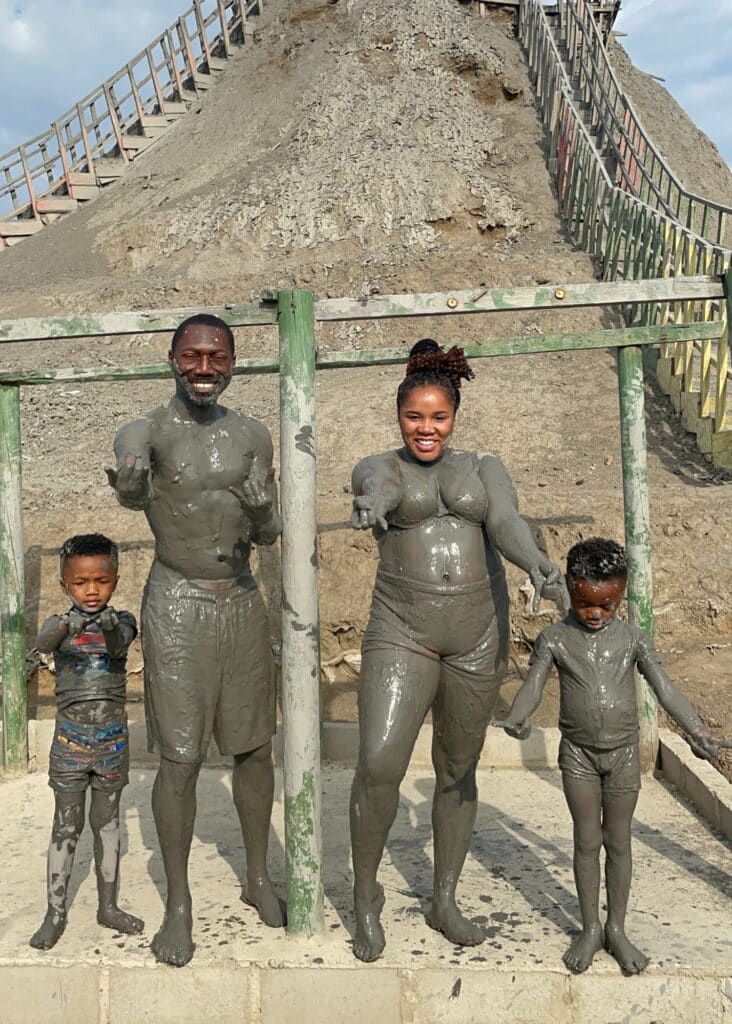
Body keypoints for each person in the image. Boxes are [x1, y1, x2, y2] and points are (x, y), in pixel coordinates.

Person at [349, 338, 566, 962]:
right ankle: (367, 897)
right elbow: (379, 490)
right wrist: (374, 507)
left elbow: (504, 524)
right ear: (399, 417)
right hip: (402, 630)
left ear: (454, 417)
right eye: (414, 416)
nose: (425, 428)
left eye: (437, 417)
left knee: (457, 769)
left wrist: (538, 565)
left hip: (477, 636)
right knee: (380, 762)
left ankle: (444, 897)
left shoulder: (483, 468)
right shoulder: (379, 466)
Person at [106, 313, 283, 967]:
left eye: (216, 356)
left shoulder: (253, 435)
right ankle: (179, 905)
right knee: (179, 758)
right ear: (171, 359)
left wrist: (264, 508)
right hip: (176, 601)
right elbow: (130, 481)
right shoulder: (149, 429)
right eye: (191, 355)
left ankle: (259, 876)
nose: (203, 367)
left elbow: (268, 536)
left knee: (255, 749)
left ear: (234, 362)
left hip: (239, 599)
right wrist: (130, 478)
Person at [496, 537, 723, 975]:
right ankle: (588, 928)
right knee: (587, 840)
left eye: (608, 605)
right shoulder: (555, 639)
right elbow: (533, 685)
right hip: (578, 755)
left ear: (621, 596)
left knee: (618, 840)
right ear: (570, 587)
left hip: (622, 755)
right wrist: (517, 716)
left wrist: (695, 730)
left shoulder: (634, 639)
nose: (596, 614)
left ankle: (616, 929)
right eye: (585, 604)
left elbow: (665, 687)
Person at [30, 533, 143, 950]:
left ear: (115, 579)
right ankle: (55, 913)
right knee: (66, 824)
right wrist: (67, 624)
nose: (92, 590)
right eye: (80, 583)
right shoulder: (58, 624)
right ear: (64, 585)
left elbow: (118, 645)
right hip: (70, 742)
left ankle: (108, 907)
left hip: (112, 740)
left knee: (108, 824)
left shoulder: (124, 621)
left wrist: (109, 624)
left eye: (102, 581)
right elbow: (43, 643)